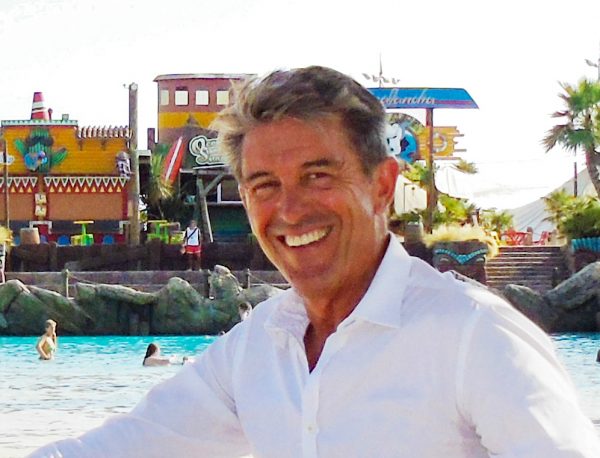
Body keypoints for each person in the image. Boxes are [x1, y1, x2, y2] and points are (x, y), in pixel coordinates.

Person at [30, 67, 600, 457]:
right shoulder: (259, 346)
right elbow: (126, 446)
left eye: (318, 176)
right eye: (264, 185)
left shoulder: (475, 336)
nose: (290, 209)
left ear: (382, 186)